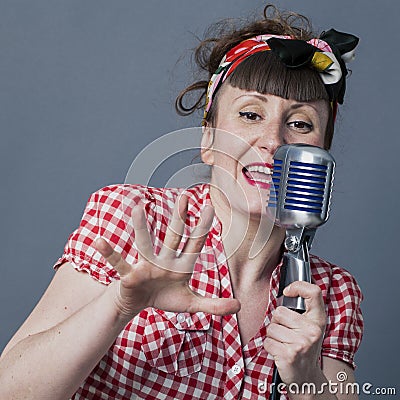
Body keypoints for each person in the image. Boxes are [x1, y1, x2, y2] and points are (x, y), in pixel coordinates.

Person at [0, 4, 363, 399]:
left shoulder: (333, 292)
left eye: (300, 124)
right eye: (250, 115)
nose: (273, 142)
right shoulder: (132, 218)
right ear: (208, 140)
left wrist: (306, 377)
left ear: (322, 157)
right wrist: (118, 306)